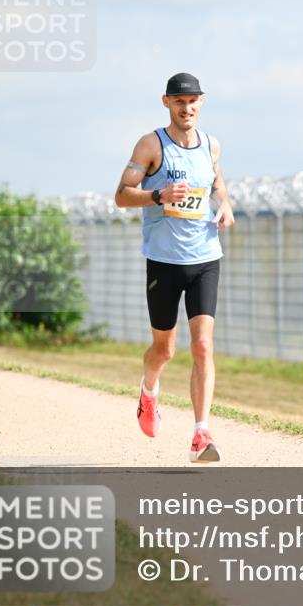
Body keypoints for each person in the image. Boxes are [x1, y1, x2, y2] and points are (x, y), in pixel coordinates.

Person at [113, 72, 234, 462]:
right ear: (166, 102)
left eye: (194, 101)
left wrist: (226, 204)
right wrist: (156, 194)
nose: (188, 108)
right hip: (164, 262)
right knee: (164, 350)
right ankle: (149, 391)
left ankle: (201, 434)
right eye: (180, 102)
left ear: (202, 103)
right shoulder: (152, 144)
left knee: (203, 346)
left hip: (205, 257)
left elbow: (216, 182)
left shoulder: (210, 145)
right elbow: (121, 195)